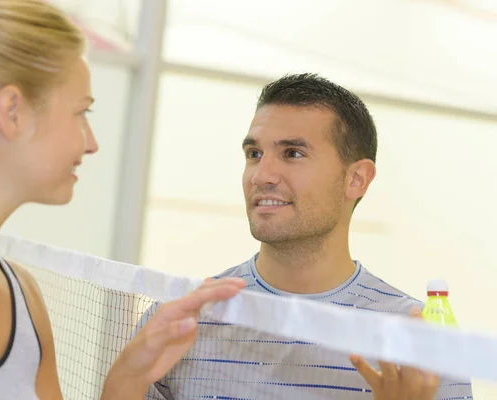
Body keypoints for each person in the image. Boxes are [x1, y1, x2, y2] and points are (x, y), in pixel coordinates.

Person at [0, 1, 245, 399]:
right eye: (82, 112)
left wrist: (128, 378)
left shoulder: (24, 299)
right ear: (12, 111)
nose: (92, 143)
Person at [144, 74, 474, 399]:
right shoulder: (179, 321)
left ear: (356, 179)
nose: (261, 176)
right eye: (254, 154)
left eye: (292, 154)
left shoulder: (421, 344)